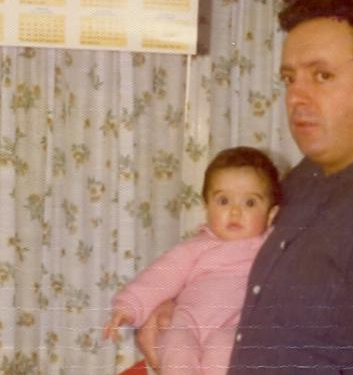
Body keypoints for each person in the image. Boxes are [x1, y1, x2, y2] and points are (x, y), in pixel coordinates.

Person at [138, 0, 353, 373]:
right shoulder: (308, 176)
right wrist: (181, 306)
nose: (296, 97)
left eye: (322, 76)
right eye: (290, 78)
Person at [104, 146, 281, 374]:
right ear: (206, 206)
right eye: (223, 200)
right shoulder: (195, 248)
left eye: (249, 203)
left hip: (235, 327)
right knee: (175, 347)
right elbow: (160, 277)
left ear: (271, 214)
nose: (235, 211)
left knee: (223, 350)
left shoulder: (271, 250)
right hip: (188, 322)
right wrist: (129, 306)